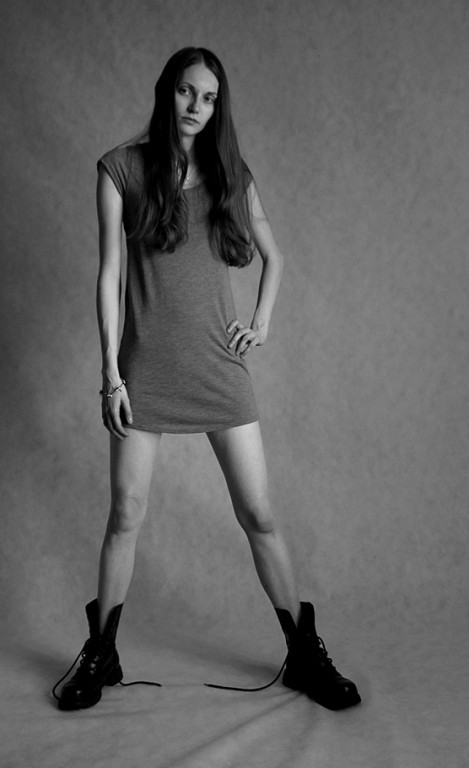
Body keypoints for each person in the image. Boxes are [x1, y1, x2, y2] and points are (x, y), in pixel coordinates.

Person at [55, 47, 361, 712]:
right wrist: (110, 373)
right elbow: (108, 274)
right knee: (125, 513)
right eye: (186, 92)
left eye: (210, 97)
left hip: (218, 371)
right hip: (144, 369)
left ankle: (304, 655)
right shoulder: (121, 168)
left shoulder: (229, 174)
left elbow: (274, 256)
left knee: (259, 514)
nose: (197, 106)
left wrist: (262, 322)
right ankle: (102, 652)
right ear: (166, 92)